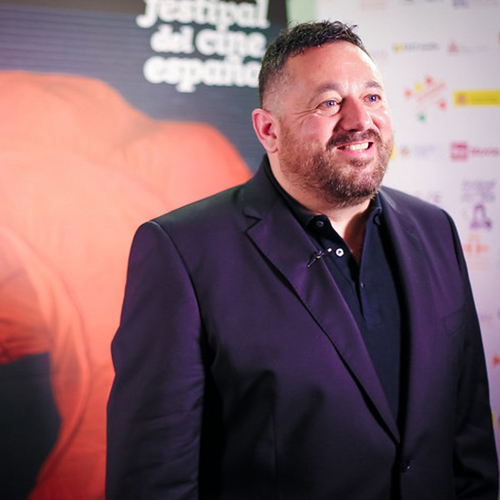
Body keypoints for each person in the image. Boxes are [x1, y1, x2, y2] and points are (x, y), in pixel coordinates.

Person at [106, 21, 499, 500]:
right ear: (268, 130)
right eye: (329, 103)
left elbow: (469, 438)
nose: (360, 120)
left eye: (372, 97)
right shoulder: (183, 251)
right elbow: (154, 478)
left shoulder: (435, 229)